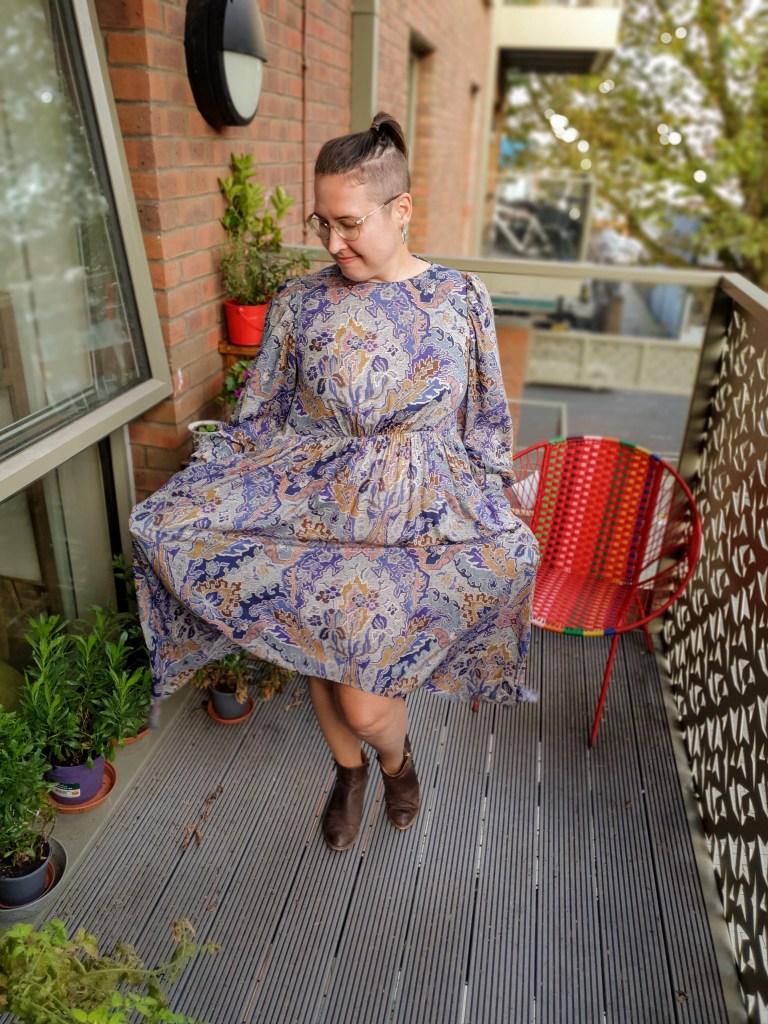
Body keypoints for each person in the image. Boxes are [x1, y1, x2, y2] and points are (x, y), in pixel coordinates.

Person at [129, 112, 539, 853]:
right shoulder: (298, 301)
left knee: (367, 700)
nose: (331, 242)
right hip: (313, 510)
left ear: (401, 209)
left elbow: (485, 420)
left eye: (348, 223)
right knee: (319, 651)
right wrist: (204, 490)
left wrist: (498, 503)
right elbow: (262, 418)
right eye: (321, 223)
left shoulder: (460, 298)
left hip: (417, 521)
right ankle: (348, 774)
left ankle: (394, 760)